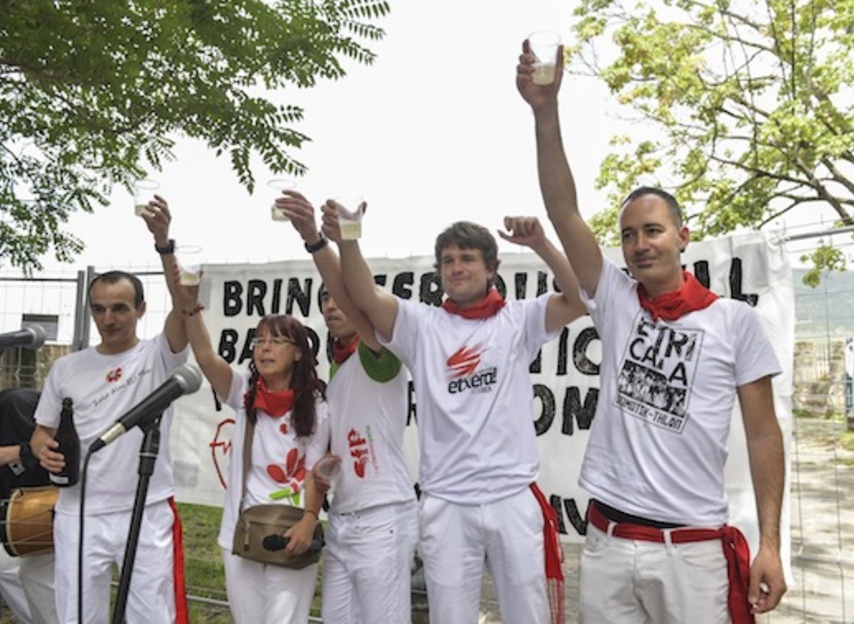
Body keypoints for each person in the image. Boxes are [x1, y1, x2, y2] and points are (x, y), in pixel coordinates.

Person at [516, 39, 788, 623]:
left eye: (654, 231)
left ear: (683, 237)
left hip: (691, 555)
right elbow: (564, 211)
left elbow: (764, 435)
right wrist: (545, 112)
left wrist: (770, 542)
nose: (640, 245)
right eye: (630, 235)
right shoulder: (616, 300)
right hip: (608, 543)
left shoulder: (734, 322)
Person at [326, 202, 587, 624]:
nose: (456, 267)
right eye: (448, 260)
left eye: (467, 258)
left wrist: (541, 243)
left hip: (510, 496)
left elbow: (580, 296)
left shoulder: (518, 319)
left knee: (529, 616)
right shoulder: (421, 324)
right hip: (445, 502)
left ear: (491, 270)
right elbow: (364, 296)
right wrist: (350, 236)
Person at [30, 195, 191, 624]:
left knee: (150, 617)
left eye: (120, 308)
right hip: (78, 511)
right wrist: (44, 448)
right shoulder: (66, 367)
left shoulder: (160, 354)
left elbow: (184, 309)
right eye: (99, 309)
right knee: (77, 616)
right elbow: (42, 431)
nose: (109, 318)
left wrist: (163, 243)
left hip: (146, 505)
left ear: (141, 309)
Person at [277, 191, 418, 624]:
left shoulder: (381, 352)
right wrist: (325, 472)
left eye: (339, 297)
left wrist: (320, 241)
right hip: (342, 520)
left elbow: (359, 301)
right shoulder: (333, 372)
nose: (332, 304)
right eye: (325, 299)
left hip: (383, 518)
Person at [174, 276, 328, 623]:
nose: (265, 348)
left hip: (291, 533)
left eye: (277, 341)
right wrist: (190, 306)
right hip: (240, 534)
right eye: (260, 340)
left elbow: (314, 470)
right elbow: (204, 355)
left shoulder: (316, 403)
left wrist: (308, 520)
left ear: (299, 352)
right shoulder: (243, 390)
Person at [0, 382, 57, 623]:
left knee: (34, 573)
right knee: (1, 568)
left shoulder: (14, 404)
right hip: (35, 516)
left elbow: (62, 445)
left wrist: (7, 454)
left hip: (69, 503)